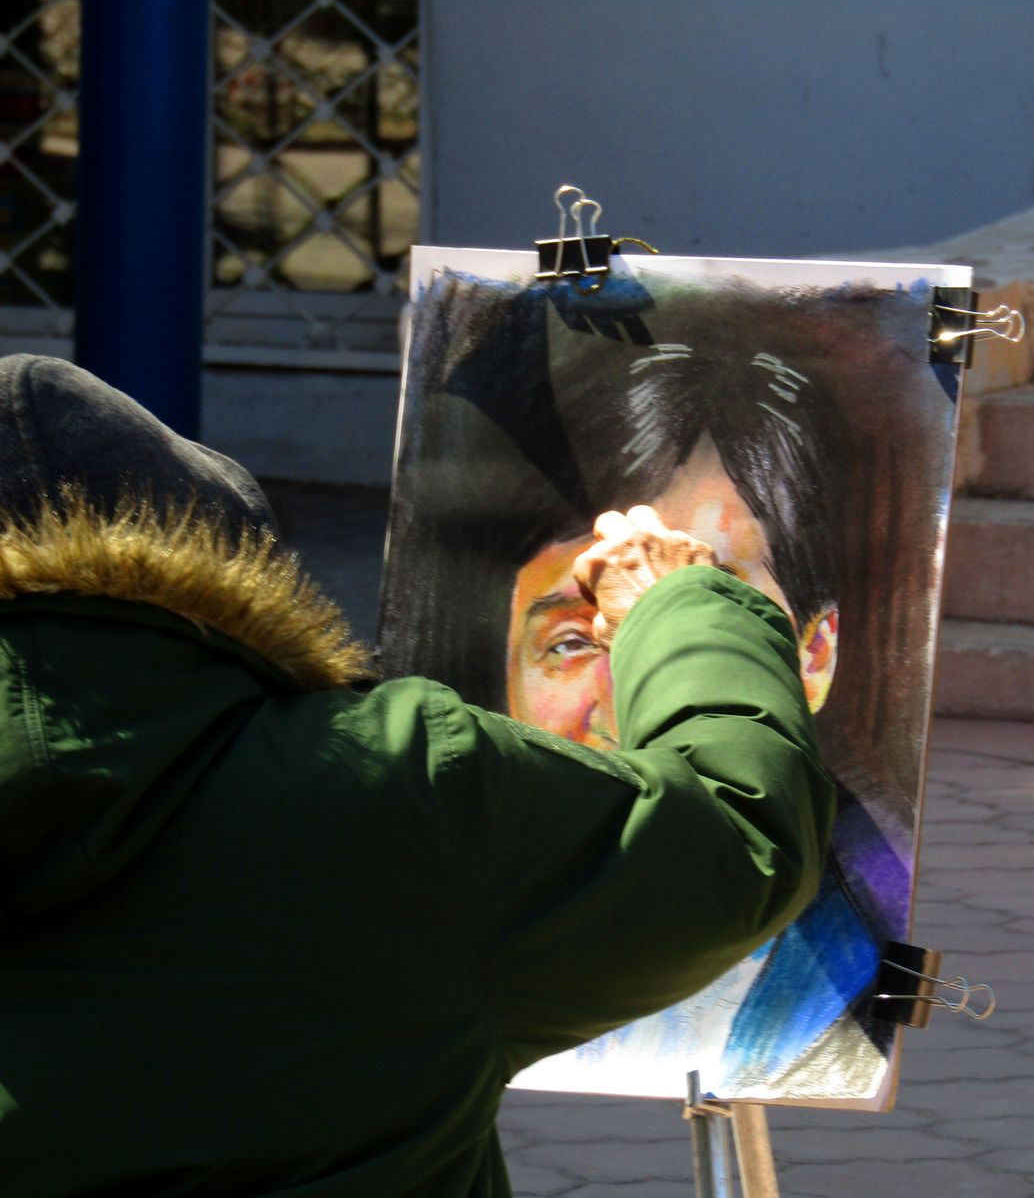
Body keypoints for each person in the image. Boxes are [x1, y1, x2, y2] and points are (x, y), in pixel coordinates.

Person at [0, 354, 836, 1195]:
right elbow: (737, 837)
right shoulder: (384, 789)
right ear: (218, 575)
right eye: (560, 641)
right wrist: (679, 612)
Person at [381, 271, 953, 1098]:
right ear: (503, 669)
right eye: (573, 638)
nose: (628, 703)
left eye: (703, 612)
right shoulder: (425, 947)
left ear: (816, 653)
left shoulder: (837, 983)